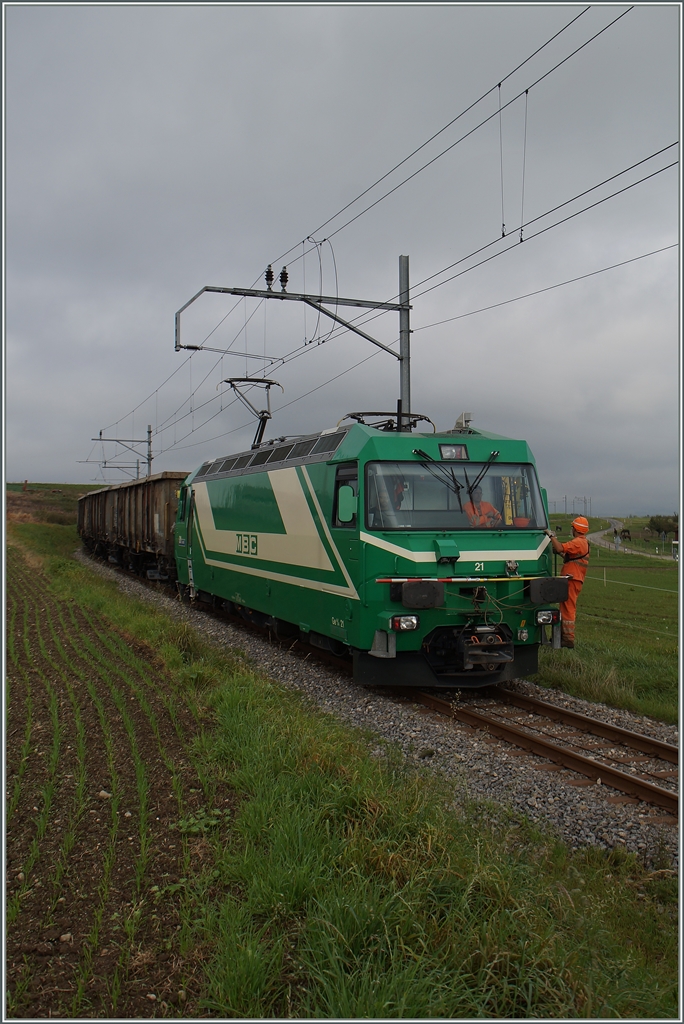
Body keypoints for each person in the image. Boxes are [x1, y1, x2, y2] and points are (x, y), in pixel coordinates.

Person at [545, 516, 590, 648]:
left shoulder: (578, 542)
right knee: (565, 607)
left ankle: (568, 638)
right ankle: (563, 636)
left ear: (575, 529)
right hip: (575, 579)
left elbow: (560, 548)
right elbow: (566, 555)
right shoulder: (583, 543)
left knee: (568, 608)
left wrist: (551, 536)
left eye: (572, 528)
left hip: (572, 579)